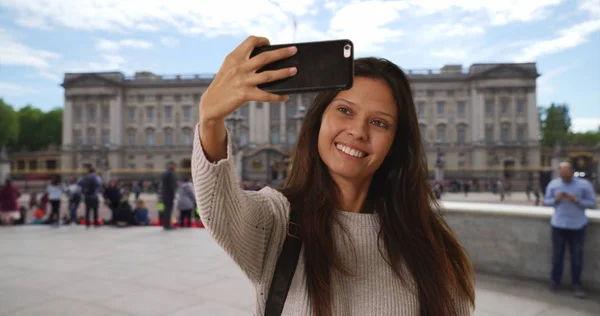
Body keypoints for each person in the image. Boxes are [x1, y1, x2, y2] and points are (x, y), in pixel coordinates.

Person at [191, 36, 474, 315]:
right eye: (344, 110)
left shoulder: (432, 244)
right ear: (318, 121)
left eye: (379, 122)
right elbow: (221, 211)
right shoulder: (278, 220)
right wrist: (210, 121)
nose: (358, 131)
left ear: (394, 143)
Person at [544, 161, 597, 298]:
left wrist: (577, 200)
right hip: (558, 225)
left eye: (566, 173)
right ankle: (554, 282)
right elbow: (546, 201)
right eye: (562, 173)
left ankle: (577, 284)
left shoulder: (584, 185)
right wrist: (556, 200)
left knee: (577, 257)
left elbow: (592, 204)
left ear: (572, 172)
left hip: (577, 226)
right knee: (557, 256)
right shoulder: (554, 184)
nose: (564, 176)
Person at [161, 161, 178, 230]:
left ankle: (166, 224)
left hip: (165, 193)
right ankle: (167, 225)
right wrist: (173, 193)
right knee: (168, 209)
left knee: (166, 209)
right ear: (171, 165)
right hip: (169, 194)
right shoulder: (170, 173)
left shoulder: (165, 172)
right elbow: (172, 185)